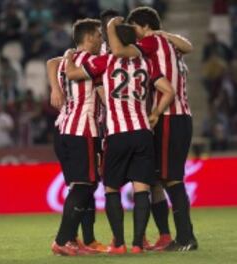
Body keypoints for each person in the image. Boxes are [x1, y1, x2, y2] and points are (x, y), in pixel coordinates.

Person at [64, 23, 174, 254]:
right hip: (143, 131)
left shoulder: (106, 62)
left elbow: (72, 73)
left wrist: (68, 56)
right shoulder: (147, 63)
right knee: (142, 189)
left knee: (112, 190)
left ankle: (120, 245)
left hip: (117, 134)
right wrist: (154, 113)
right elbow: (169, 90)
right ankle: (137, 245)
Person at [108, 6, 198, 251]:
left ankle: (186, 238)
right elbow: (189, 46)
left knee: (171, 179)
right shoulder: (171, 45)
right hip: (180, 116)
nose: (133, 32)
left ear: (143, 26)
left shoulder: (150, 42)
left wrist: (111, 29)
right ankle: (168, 236)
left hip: (169, 115)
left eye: (134, 27)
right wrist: (165, 34)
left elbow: (118, 50)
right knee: (158, 178)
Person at [48, 18, 106, 256]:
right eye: (99, 35)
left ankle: (71, 239)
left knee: (81, 185)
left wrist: (55, 87)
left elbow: (50, 62)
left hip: (63, 129)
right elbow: (104, 95)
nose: (102, 39)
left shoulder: (66, 60)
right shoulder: (93, 63)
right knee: (85, 185)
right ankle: (62, 240)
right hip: (83, 129)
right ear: (90, 36)